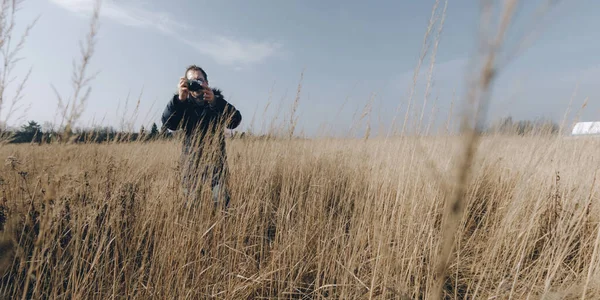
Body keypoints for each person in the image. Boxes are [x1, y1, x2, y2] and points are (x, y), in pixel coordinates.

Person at [161, 65, 242, 210]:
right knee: (191, 208)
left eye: (200, 80)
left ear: (206, 83)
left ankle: (224, 230)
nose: (196, 83)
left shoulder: (216, 102)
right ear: (185, 83)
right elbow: (169, 124)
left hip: (216, 164)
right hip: (191, 165)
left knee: (223, 205)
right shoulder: (183, 105)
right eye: (192, 80)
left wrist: (215, 102)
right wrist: (179, 99)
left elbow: (235, 120)